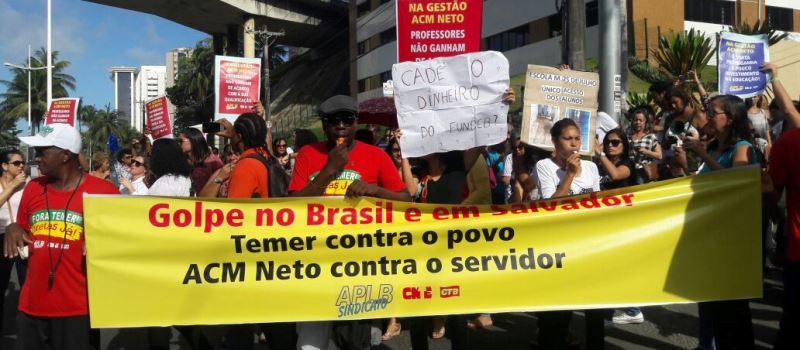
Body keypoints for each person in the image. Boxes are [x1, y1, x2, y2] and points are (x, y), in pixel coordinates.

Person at [290, 95, 410, 350]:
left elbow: (405, 199)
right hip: (317, 263)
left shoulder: (376, 156)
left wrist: (373, 190)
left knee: (361, 341)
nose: (341, 125)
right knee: (311, 342)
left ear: (356, 122)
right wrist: (329, 170)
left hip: (363, 263)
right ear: (324, 124)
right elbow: (292, 205)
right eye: (334, 120)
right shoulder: (308, 155)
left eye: (347, 119)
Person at [4, 124, 119, 349]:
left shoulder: (104, 192)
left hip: (78, 310)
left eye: (42, 151)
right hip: (31, 307)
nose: (35, 158)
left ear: (66, 154)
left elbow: (122, 244)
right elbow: (24, 230)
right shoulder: (33, 188)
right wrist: (14, 227)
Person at [683, 95, 757, 349]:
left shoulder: (743, 147)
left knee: (732, 312)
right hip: (712, 238)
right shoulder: (715, 148)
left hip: (732, 240)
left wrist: (702, 154)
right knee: (711, 304)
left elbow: (735, 181)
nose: (709, 116)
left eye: (713, 112)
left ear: (731, 117)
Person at [535, 118, 601, 349]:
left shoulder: (592, 167)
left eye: (577, 138)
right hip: (559, 246)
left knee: (594, 306)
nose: (573, 144)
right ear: (555, 142)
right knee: (557, 308)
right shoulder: (545, 166)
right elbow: (549, 205)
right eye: (567, 139)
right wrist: (570, 175)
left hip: (588, 245)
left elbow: (598, 203)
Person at [0, 149, 29, 335]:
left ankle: (29, 330)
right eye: (16, 163)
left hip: (23, 237)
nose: (21, 166)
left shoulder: (28, 184)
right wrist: (12, 187)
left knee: (27, 284)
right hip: (2, 237)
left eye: (23, 163)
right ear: (4, 166)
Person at [178, 128, 223, 195]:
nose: (178, 143)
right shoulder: (181, 161)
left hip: (207, 203)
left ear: (193, 140)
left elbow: (221, 184)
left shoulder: (214, 161)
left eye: (181, 141)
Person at [627, 108, 662, 184]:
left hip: (643, 171)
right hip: (629, 171)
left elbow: (659, 155)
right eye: (636, 120)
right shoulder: (628, 136)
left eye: (640, 120)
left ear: (645, 122)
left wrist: (646, 152)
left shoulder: (651, 137)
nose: (638, 122)